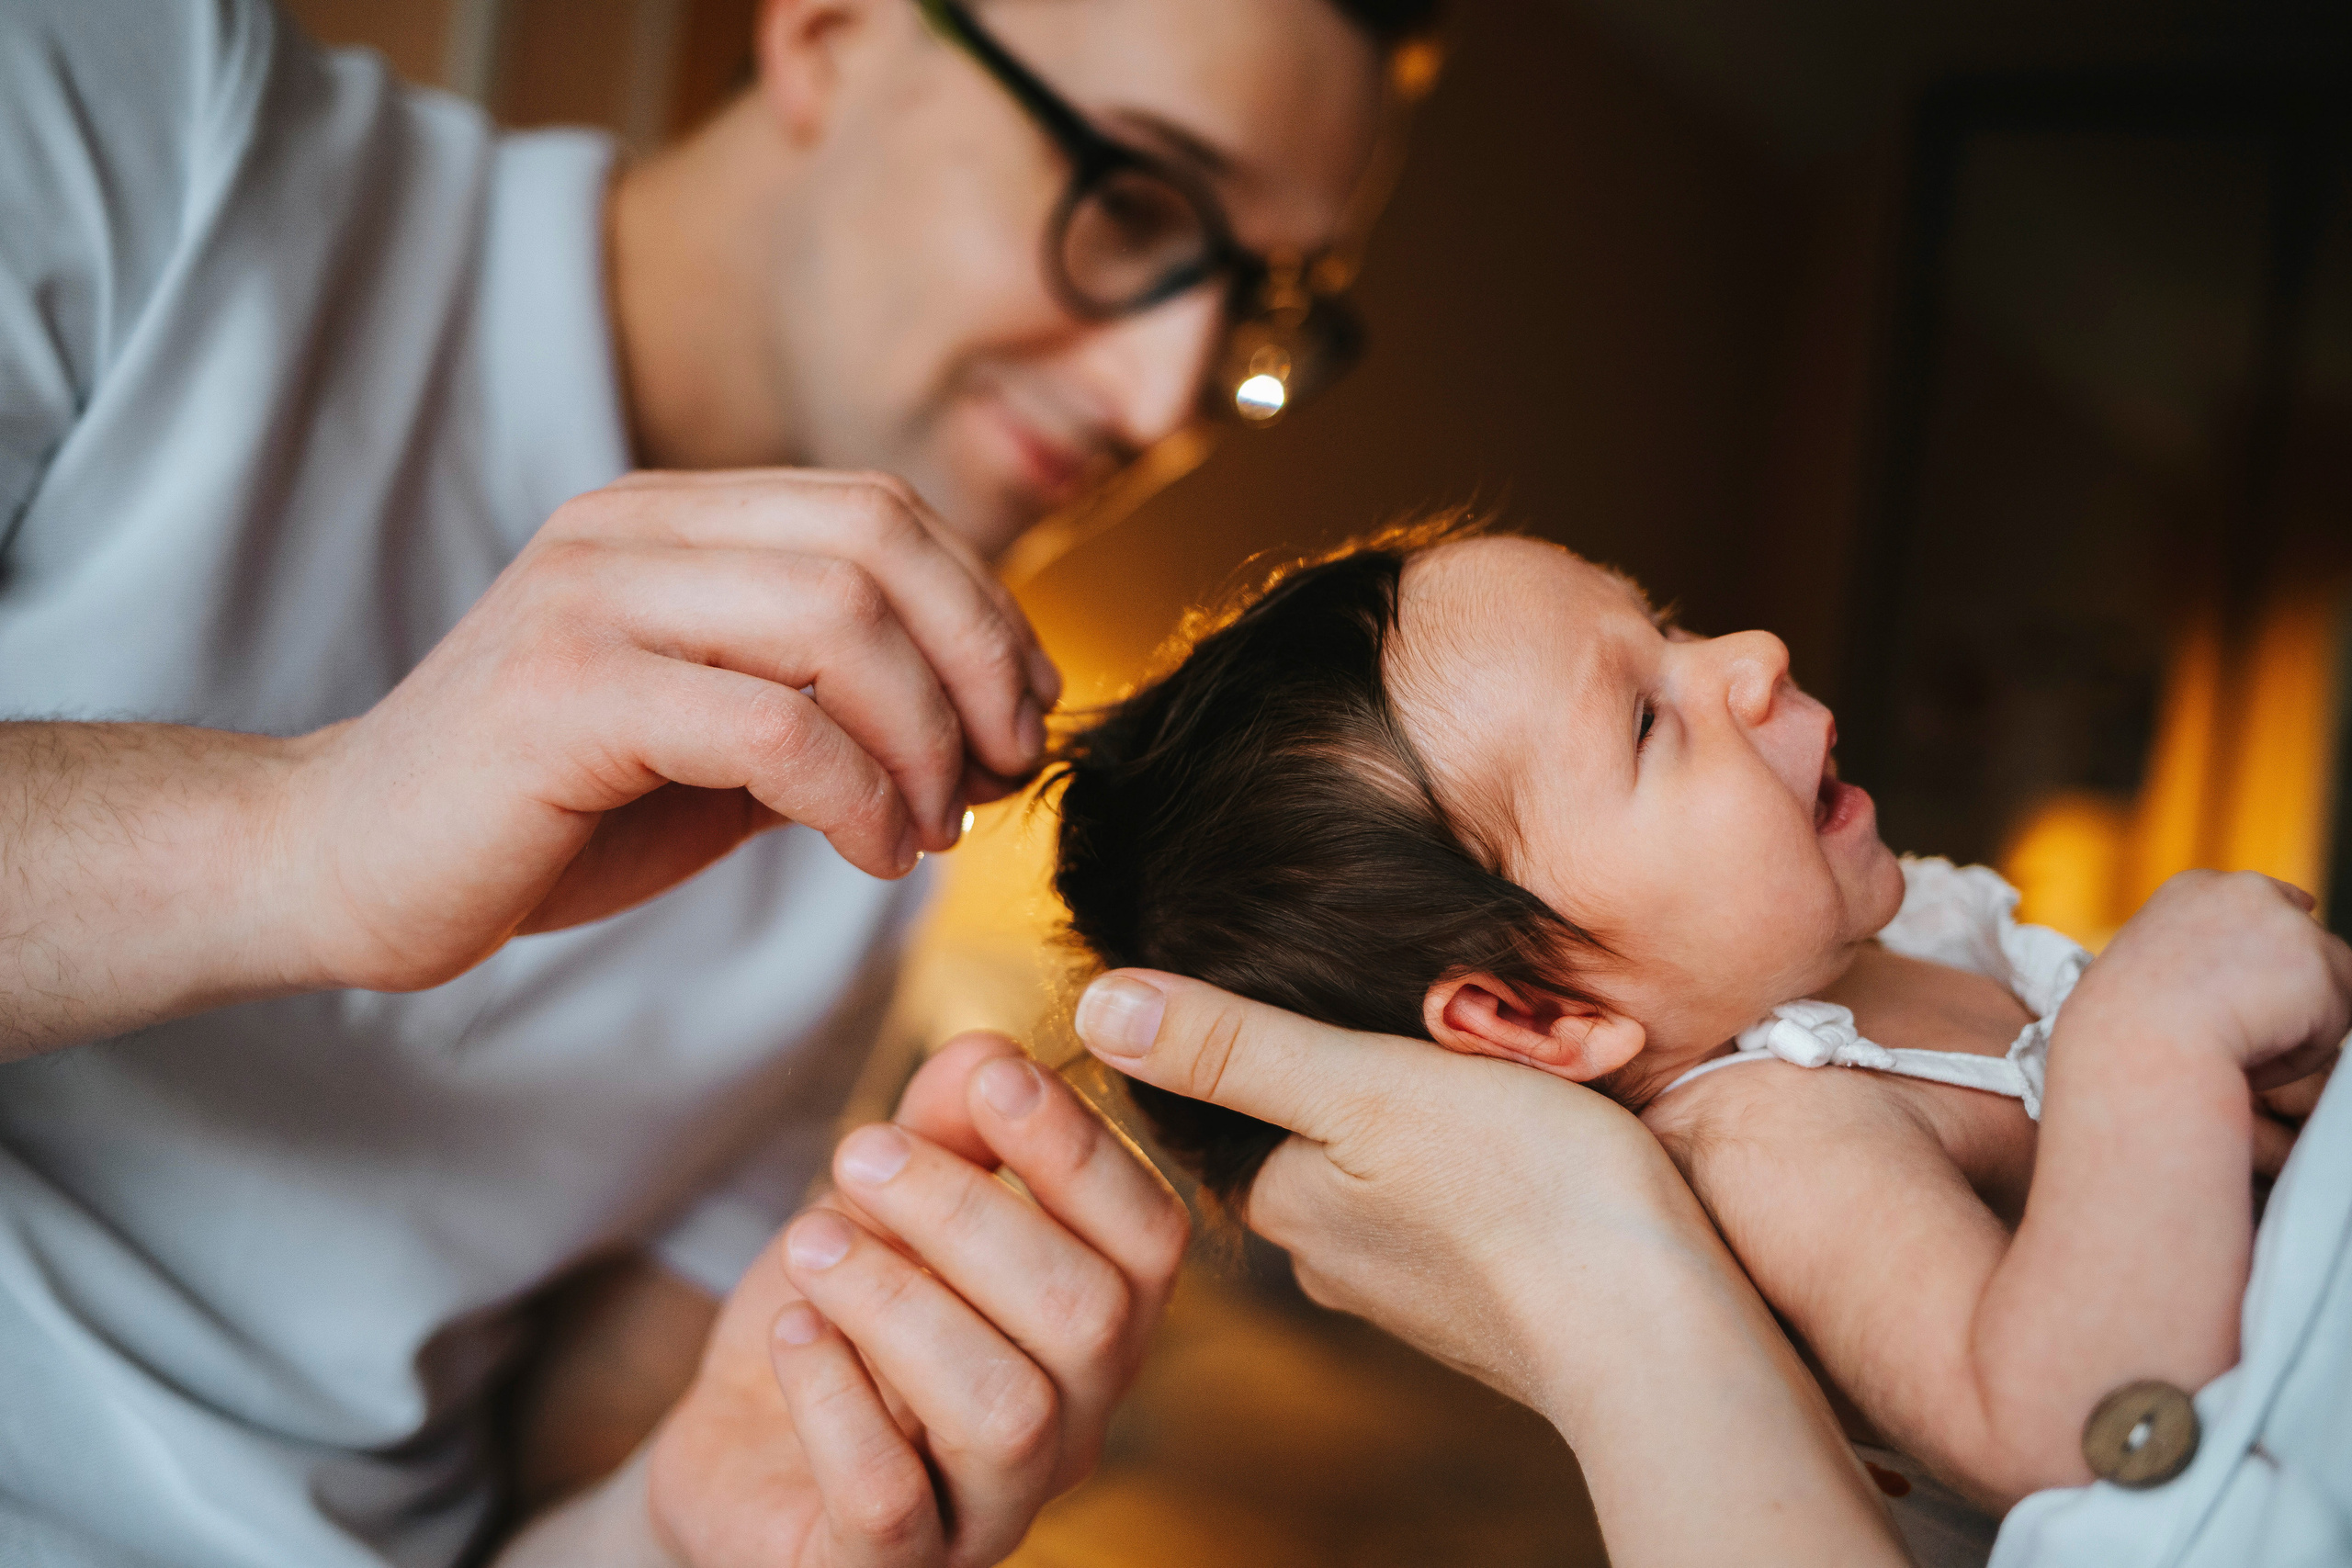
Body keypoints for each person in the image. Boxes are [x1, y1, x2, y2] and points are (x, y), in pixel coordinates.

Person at [0, 0, 1423, 1561]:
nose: (1160, 397)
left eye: (1258, 304)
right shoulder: (147, 121)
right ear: (829, 33)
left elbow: (558, 1517)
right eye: (1137, 200)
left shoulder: (874, 821)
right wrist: (303, 840)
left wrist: (686, 1528)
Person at [1046, 525, 2348, 1557]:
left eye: (1663, 623)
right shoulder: (1781, 1127)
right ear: (1536, 1016)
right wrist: (2147, 1036)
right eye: (1645, 720)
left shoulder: (1900, 942)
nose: (1753, 651)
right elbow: (2053, 1425)